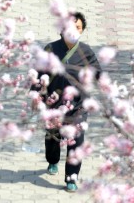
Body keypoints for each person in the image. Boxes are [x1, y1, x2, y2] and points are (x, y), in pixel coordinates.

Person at [37, 12, 101, 192]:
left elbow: (98, 72)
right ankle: (52, 160)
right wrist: (35, 93)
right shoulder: (50, 49)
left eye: (78, 28)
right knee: (53, 137)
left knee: (76, 140)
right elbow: (39, 73)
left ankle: (71, 176)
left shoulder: (86, 51)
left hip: (78, 105)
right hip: (53, 103)